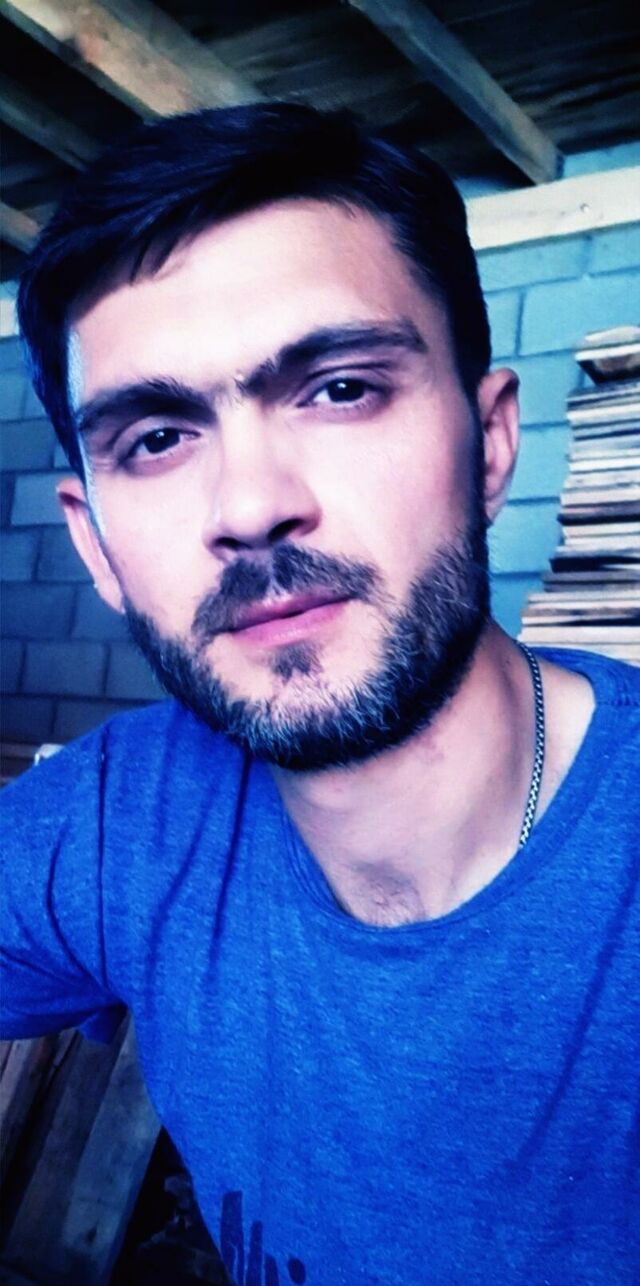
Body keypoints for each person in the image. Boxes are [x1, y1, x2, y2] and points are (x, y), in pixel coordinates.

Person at [1, 103, 638, 1284]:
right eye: (156, 438)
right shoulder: (116, 820)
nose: (251, 506)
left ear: (490, 443)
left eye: (340, 387)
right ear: (94, 546)